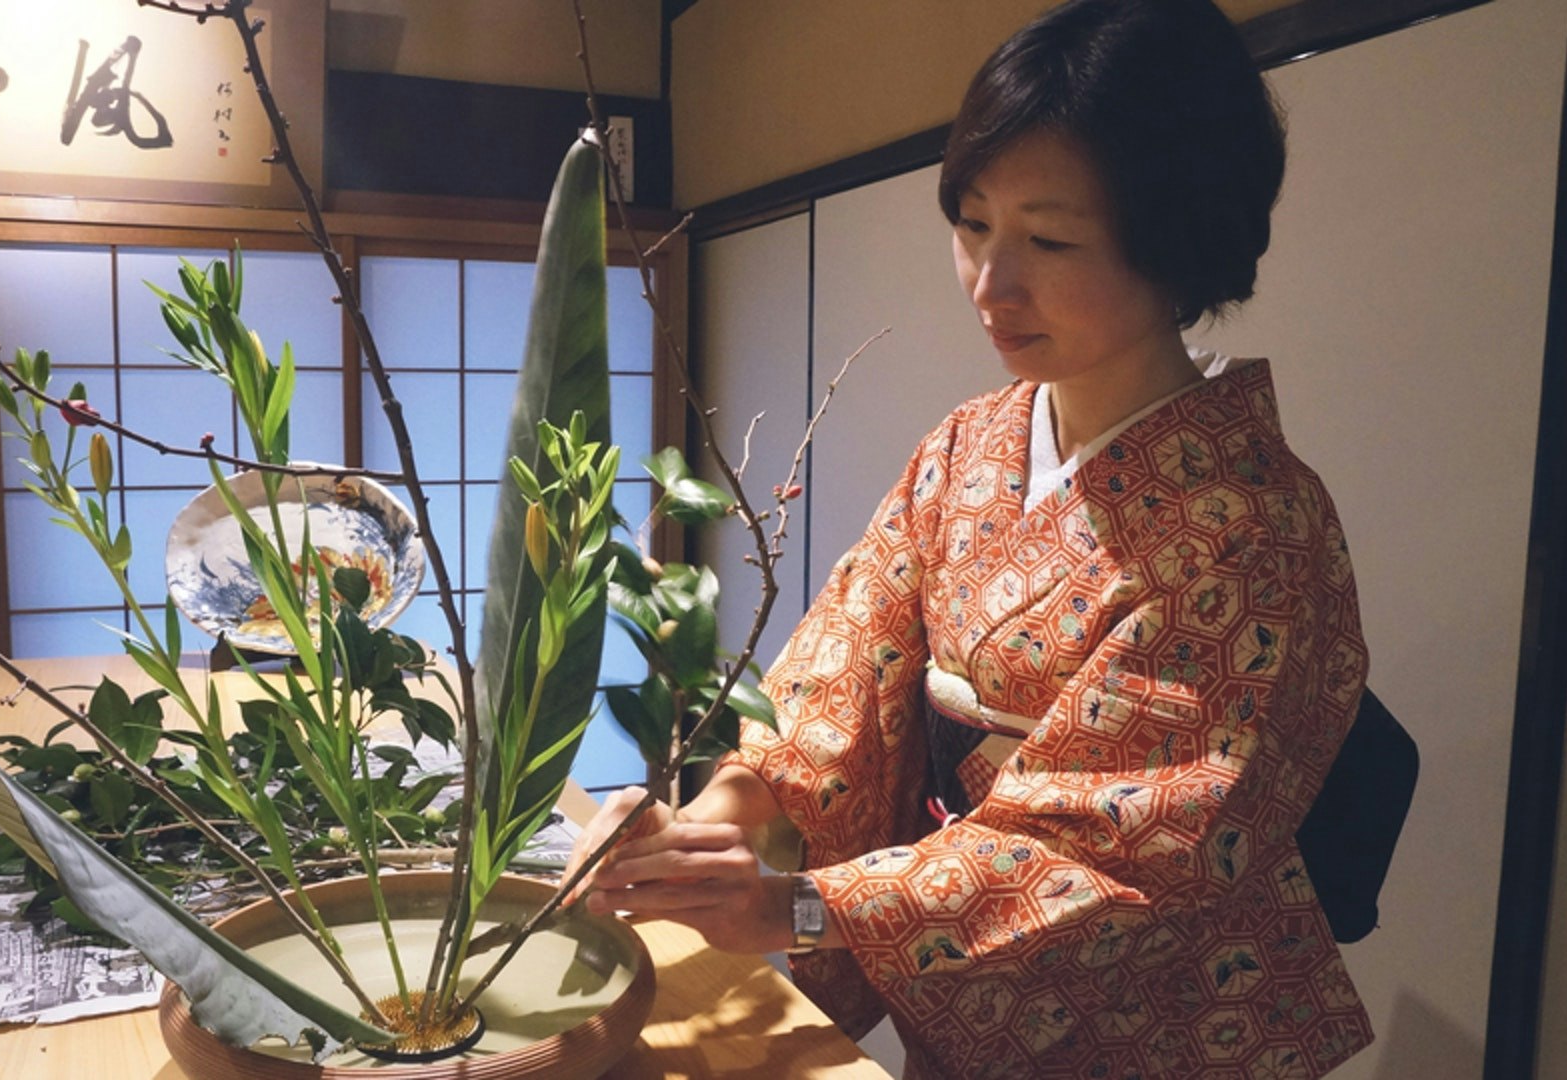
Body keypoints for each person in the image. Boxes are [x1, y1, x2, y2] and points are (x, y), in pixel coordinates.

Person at [567, 0, 1374, 1076]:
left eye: (1047, 239)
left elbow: (1107, 855)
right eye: (972, 224)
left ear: (1179, 243)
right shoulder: (969, 445)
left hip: (1164, 1021)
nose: (992, 284)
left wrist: (794, 911)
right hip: (959, 987)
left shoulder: (1252, 528)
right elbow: (843, 673)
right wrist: (715, 822)